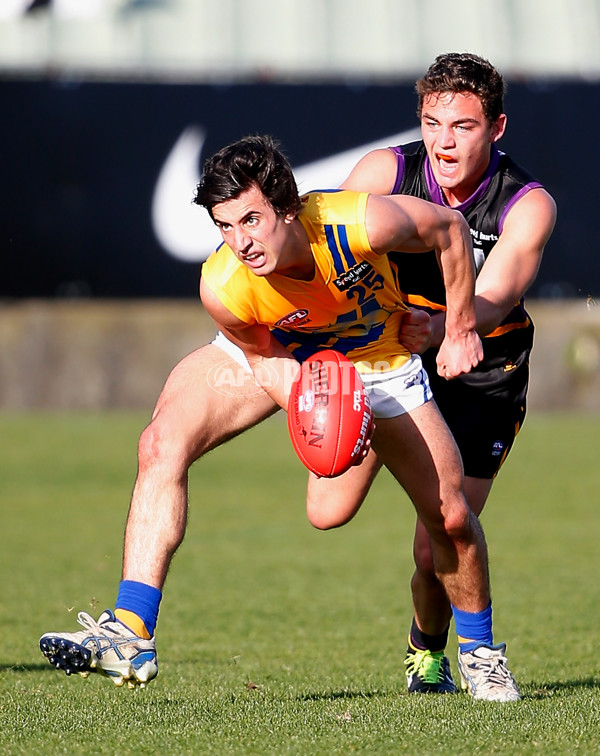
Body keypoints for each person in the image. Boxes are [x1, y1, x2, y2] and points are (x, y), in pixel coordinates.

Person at [325, 52, 556, 696]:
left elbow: (498, 293)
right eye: (432, 123)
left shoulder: (528, 203)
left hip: (483, 371)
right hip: (391, 355)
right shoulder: (385, 171)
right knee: (329, 507)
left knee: (442, 536)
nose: (443, 142)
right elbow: (332, 254)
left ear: (498, 127)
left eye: (463, 126)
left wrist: (452, 328)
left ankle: (445, 653)